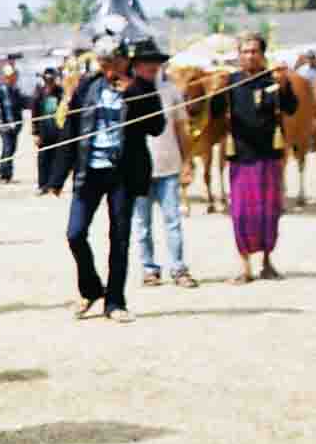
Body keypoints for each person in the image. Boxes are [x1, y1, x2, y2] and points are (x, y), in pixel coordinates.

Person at [48, 34, 165, 322]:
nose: (109, 68)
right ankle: (90, 289)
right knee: (75, 233)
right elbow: (71, 131)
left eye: (113, 61)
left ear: (126, 61)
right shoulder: (88, 87)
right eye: (104, 62)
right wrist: (57, 176)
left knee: (120, 238)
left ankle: (115, 301)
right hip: (90, 171)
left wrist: (134, 93)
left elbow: (157, 126)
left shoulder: (142, 88)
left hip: (123, 174)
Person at [212, 32, 298, 282]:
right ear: (238, 55)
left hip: (269, 155)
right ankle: (244, 266)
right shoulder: (230, 81)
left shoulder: (274, 78)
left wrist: (283, 87)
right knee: (241, 212)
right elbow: (216, 112)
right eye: (245, 51)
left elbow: (291, 108)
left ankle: (267, 262)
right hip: (240, 155)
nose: (250, 56)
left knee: (269, 211)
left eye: (254, 51)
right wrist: (217, 91)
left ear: (263, 54)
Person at [128, 45, 198, 289]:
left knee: (173, 221)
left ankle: (178, 268)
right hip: (139, 168)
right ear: (135, 66)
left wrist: (187, 161)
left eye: (155, 62)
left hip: (168, 165)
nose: (151, 67)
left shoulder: (171, 92)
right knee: (142, 224)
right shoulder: (129, 92)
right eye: (145, 62)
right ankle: (149, 268)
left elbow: (182, 129)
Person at [31, 68, 66, 196]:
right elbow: (34, 113)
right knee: (43, 159)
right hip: (43, 131)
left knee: (56, 158)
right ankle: (42, 185)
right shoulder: (39, 93)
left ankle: (53, 184)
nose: (49, 82)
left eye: (51, 79)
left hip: (57, 131)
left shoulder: (60, 92)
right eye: (47, 80)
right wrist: (35, 133)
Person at [0, 64, 28, 184]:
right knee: (7, 149)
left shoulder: (16, 90)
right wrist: (4, 124)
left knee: (12, 149)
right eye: (9, 76)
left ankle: (9, 174)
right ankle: (3, 175)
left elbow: (22, 105)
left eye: (13, 76)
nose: (12, 78)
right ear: (5, 77)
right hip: (5, 127)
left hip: (16, 126)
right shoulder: (0, 91)